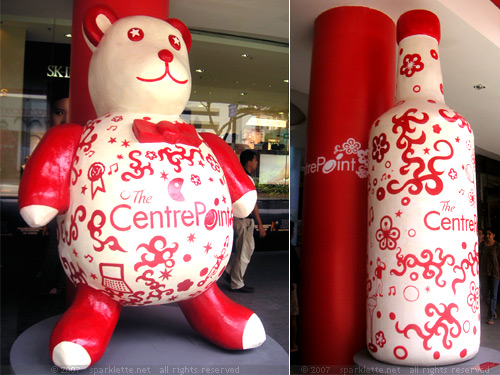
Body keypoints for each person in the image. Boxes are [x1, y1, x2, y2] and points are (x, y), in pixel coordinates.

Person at [223, 149, 266, 293]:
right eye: (255, 160)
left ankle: (230, 271)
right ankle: (237, 283)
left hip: (240, 219)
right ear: (249, 163)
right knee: (245, 251)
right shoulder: (247, 179)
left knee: (244, 249)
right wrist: (260, 224)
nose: (257, 163)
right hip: (244, 220)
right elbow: (253, 205)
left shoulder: (240, 176)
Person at [480, 228, 500, 325]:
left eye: (489, 234)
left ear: (493, 235)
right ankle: (492, 309)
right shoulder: (482, 246)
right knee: (484, 293)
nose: (487, 236)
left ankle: (490, 317)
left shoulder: (497, 246)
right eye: (486, 234)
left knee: (493, 294)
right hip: (484, 273)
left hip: (494, 273)